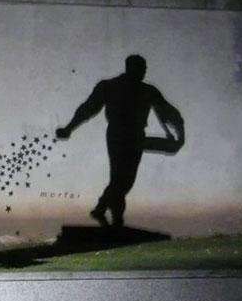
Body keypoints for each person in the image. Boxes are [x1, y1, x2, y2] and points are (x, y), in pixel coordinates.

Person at [56, 54, 184, 227]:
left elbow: (169, 112)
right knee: (120, 178)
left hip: (136, 135)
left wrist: (180, 134)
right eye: (140, 68)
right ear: (129, 67)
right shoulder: (111, 86)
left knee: (125, 179)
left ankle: (105, 210)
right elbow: (88, 109)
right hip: (118, 133)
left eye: (144, 69)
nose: (143, 72)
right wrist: (69, 128)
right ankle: (113, 216)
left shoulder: (147, 90)